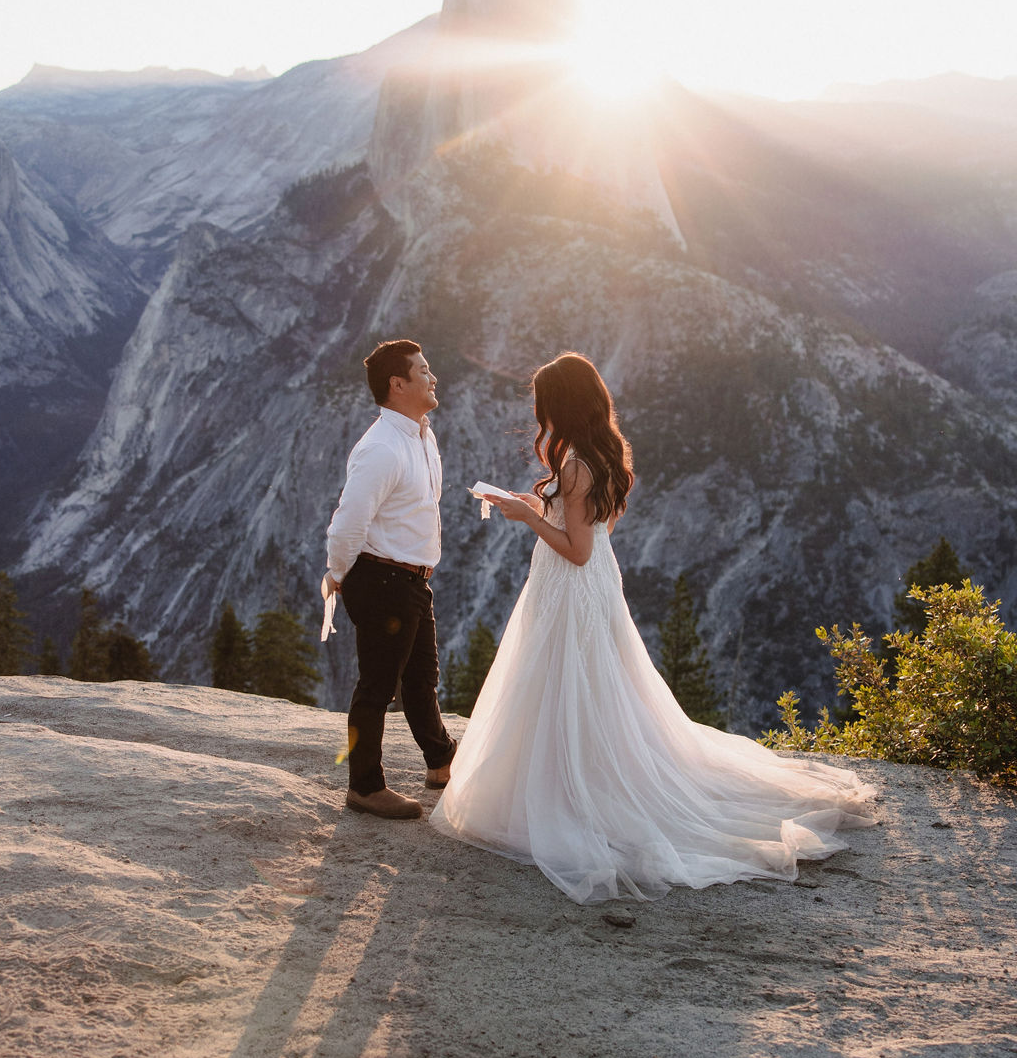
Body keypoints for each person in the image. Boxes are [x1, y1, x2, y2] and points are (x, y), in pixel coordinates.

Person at [430, 352, 876, 903]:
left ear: (562, 404)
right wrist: (534, 504)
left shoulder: (575, 464)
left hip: (570, 588)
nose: (539, 413)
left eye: (544, 403)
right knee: (589, 687)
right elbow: (586, 527)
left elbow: (575, 549)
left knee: (567, 682)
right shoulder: (599, 453)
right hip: (591, 587)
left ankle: (568, 791)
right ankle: (574, 778)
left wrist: (526, 518)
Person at [324, 339, 456, 820]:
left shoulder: (423, 434)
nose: (432, 377)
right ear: (397, 385)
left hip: (412, 581)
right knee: (378, 685)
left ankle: (440, 761)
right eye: (423, 370)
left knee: (422, 679)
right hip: (381, 579)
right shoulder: (380, 448)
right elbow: (347, 523)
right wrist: (339, 574)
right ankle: (364, 786)